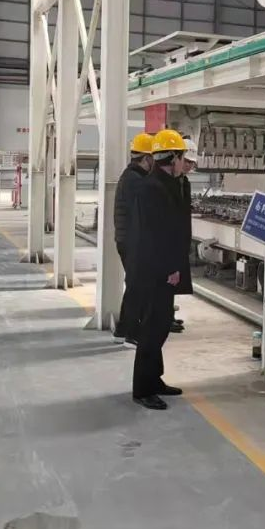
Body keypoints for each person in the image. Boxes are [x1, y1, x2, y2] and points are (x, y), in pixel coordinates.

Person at [126, 129, 188, 410]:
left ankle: (154, 380)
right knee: (152, 330)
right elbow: (155, 236)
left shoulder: (164, 184)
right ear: (173, 157)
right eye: (182, 158)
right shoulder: (153, 189)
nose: (183, 163)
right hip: (155, 272)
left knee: (161, 326)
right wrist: (170, 268)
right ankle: (142, 389)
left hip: (159, 270)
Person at [113, 132, 154, 348]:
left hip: (127, 240)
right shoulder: (135, 181)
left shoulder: (131, 176)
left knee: (134, 286)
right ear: (146, 158)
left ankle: (122, 331)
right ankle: (131, 334)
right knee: (137, 287)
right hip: (132, 242)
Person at [170, 136, 198, 333]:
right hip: (171, 239)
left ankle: (168, 315)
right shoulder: (170, 183)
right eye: (186, 161)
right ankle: (164, 317)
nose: (188, 166)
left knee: (174, 282)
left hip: (179, 238)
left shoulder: (183, 182)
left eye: (191, 163)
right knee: (168, 281)